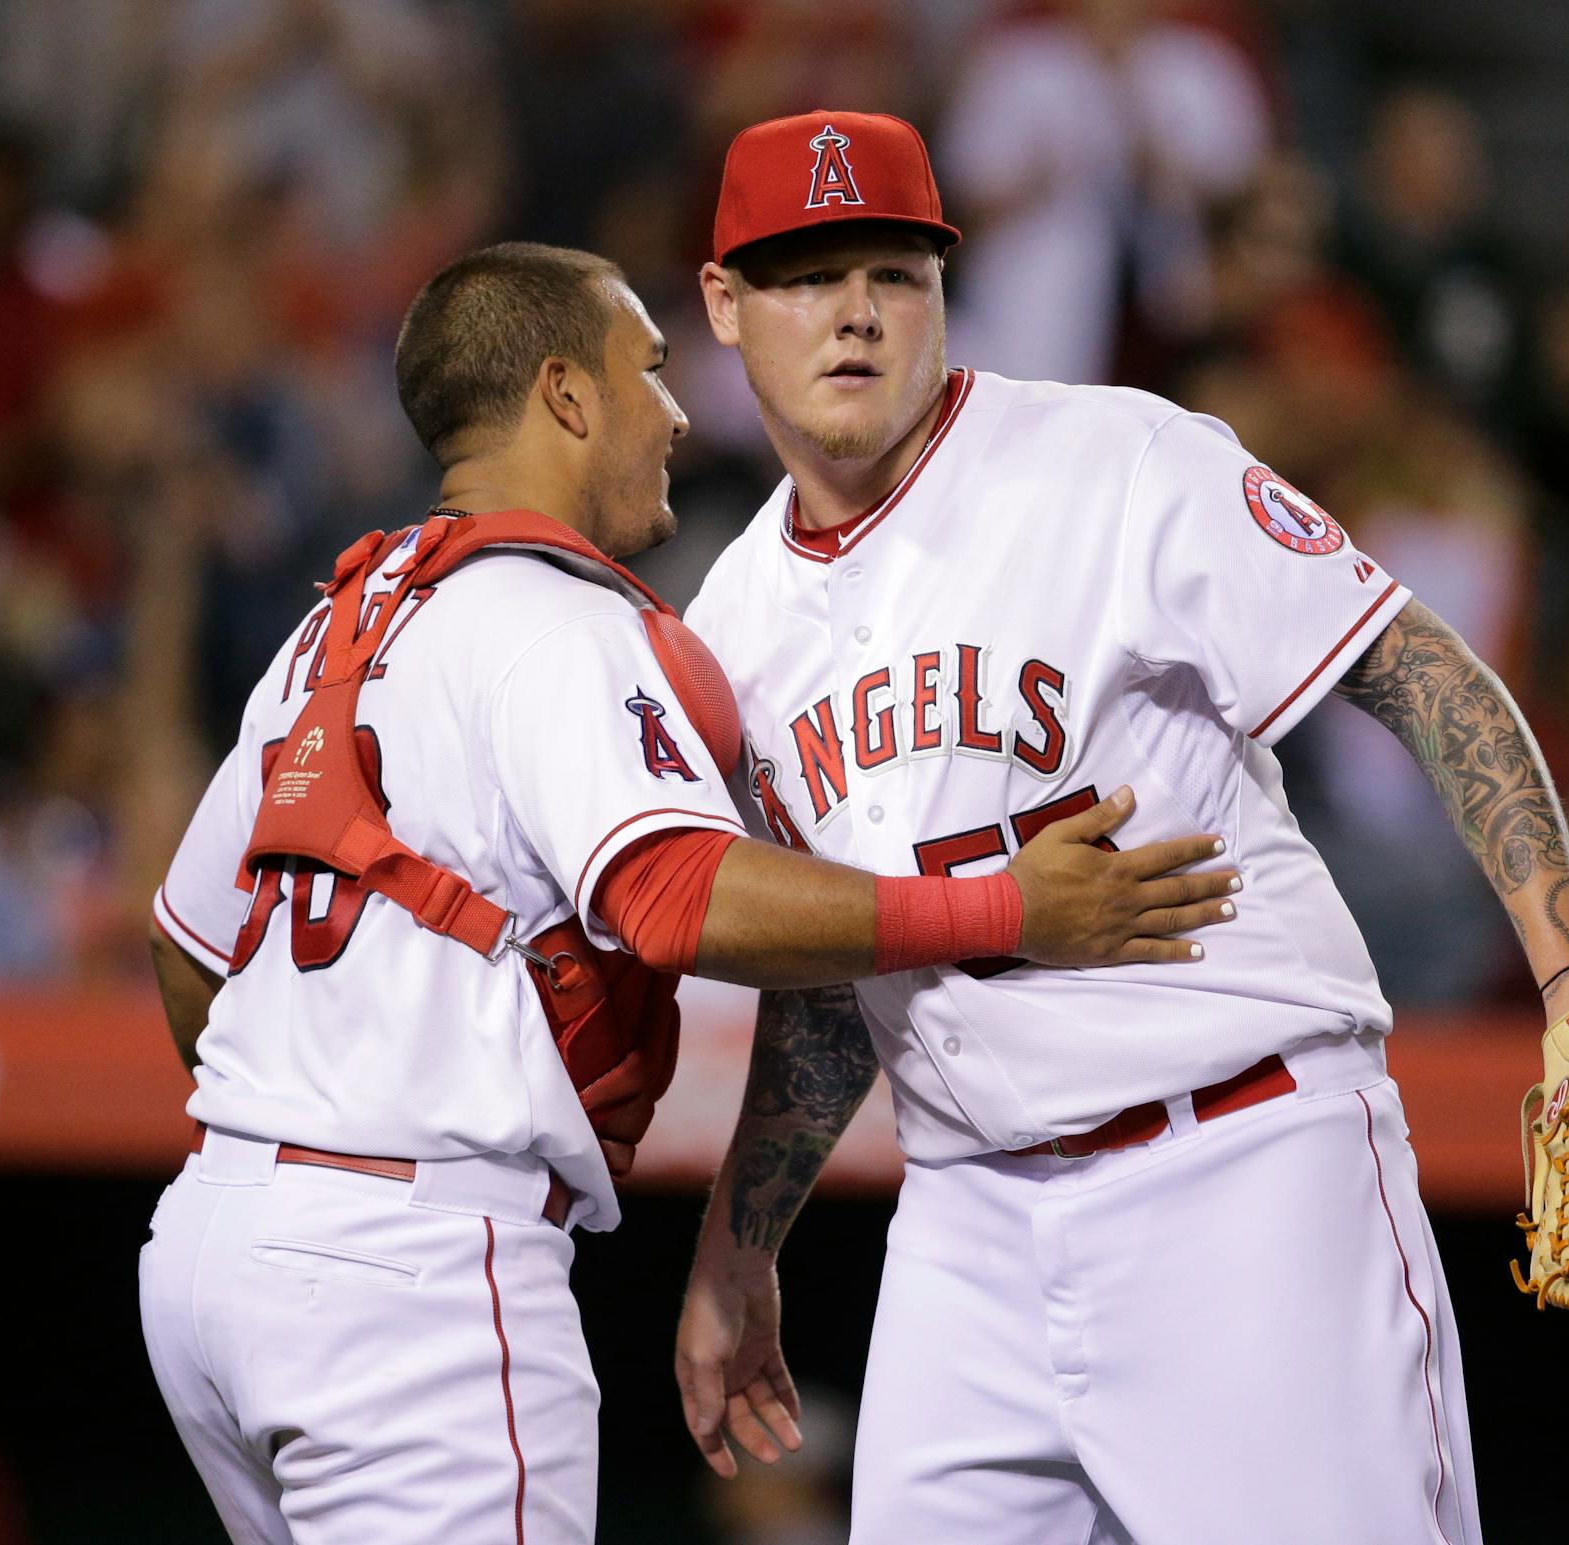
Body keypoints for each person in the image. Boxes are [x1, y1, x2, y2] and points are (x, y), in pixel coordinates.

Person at [673, 110, 1569, 1543]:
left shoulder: (1117, 461)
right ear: (723, 303)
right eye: (803, 273)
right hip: (966, 1225)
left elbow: (1412, 663)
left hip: (1240, 1171)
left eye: (890, 271)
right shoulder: (736, 626)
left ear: (946, 284)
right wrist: (738, 1240)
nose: (852, 313)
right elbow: (844, 979)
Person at [138, 240, 1236, 1545]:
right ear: (565, 395)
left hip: (215, 1251)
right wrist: (1007, 907)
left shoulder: (338, 626)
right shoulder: (555, 620)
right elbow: (676, 896)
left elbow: (185, 946)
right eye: (647, 370)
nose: (672, 409)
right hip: (409, 1271)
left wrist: (302, 1122)